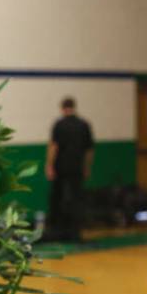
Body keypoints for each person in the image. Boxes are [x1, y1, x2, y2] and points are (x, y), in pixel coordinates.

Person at [44, 96, 94, 241]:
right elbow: (89, 150)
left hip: (61, 168)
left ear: (62, 108)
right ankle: (75, 232)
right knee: (76, 199)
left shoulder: (59, 124)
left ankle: (58, 231)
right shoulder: (84, 125)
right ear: (74, 107)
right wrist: (86, 167)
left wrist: (49, 165)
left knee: (58, 199)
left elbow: (54, 147)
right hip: (77, 168)